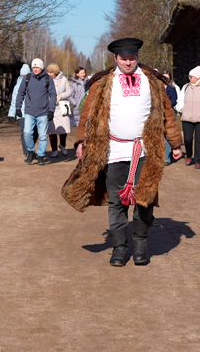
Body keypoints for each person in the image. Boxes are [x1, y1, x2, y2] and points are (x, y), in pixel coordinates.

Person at [61, 38, 183, 267]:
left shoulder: (152, 82)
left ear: (137, 57)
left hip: (146, 150)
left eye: (132, 57)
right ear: (115, 59)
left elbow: (167, 114)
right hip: (113, 150)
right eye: (124, 58)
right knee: (117, 201)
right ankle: (119, 248)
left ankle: (140, 245)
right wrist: (81, 141)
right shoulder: (103, 83)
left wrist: (176, 144)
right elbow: (88, 114)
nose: (128, 61)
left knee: (144, 200)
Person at [15, 58, 56, 165]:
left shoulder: (48, 79)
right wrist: (18, 108)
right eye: (34, 67)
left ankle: (41, 155)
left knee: (42, 136)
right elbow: (20, 93)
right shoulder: (27, 78)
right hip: (29, 112)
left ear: (42, 68)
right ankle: (30, 151)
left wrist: (51, 110)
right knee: (27, 132)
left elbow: (53, 95)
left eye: (37, 67)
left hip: (43, 112)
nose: (35, 69)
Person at [175, 66, 200, 170]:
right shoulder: (186, 87)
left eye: (191, 76)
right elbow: (180, 100)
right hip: (187, 117)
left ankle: (197, 161)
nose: (189, 78)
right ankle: (188, 155)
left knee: (198, 139)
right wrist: (181, 109)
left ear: (197, 77)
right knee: (187, 139)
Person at [8, 64, 37, 155]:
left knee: (34, 132)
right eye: (22, 76)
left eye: (26, 75)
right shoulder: (17, 86)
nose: (24, 77)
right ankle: (27, 151)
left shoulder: (34, 84)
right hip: (22, 113)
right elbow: (14, 100)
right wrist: (12, 113)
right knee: (25, 133)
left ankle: (30, 148)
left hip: (33, 112)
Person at [46, 63, 72, 157]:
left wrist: (61, 96)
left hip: (62, 106)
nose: (49, 74)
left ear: (55, 72)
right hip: (51, 107)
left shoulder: (64, 79)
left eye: (51, 72)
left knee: (63, 129)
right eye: (48, 72)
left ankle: (62, 145)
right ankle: (54, 150)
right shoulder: (46, 80)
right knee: (52, 130)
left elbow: (69, 91)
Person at [160, 69, 180, 165]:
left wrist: (166, 104)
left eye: (167, 77)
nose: (165, 79)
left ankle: (167, 158)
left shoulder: (171, 88)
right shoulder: (157, 88)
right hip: (158, 115)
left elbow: (174, 100)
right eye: (163, 77)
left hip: (169, 114)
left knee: (167, 136)